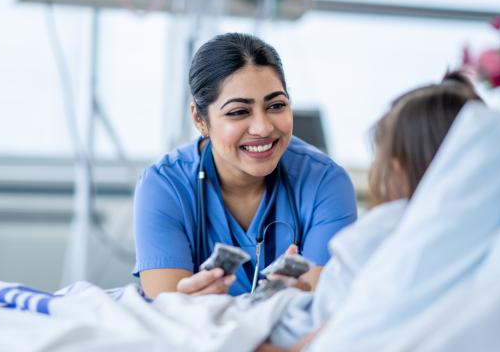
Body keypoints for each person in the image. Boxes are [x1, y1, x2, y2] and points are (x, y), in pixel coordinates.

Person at [259, 71, 484, 351]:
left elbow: (338, 330)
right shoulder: (474, 238)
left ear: (397, 166)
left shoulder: (387, 229)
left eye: (379, 156)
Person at [132, 33, 358, 298]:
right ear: (199, 118)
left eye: (276, 105)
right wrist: (183, 305)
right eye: (239, 112)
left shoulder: (326, 183)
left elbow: (321, 311)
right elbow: (168, 314)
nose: (263, 128)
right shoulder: (164, 186)